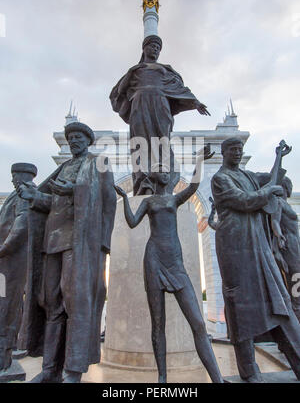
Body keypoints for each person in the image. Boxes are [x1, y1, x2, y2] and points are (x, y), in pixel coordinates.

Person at [16, 122, 116, 383]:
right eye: (70, 137)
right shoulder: (62, 169)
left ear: (88, 140)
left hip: (80, 243)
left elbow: (108, 201)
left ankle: (72, 369)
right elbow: (51, 202)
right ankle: (50, 369)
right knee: (52, 305)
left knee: (76, 304)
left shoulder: (98, 164)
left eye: (78, 137)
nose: (73, 141)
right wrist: (33, 197)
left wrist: (102, 243)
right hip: (53, 242)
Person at [115, 155, 223, 383]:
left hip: (175, 263)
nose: (164, 172)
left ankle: (217, 378)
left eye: (166, 170)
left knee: (199, 323)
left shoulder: (174, 200)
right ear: (153, 177)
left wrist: (200, 161)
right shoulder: (149, 201)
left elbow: (194, 186)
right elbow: (133, 222)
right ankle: (162, 377)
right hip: (154, 260)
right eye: (160, 170)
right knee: (158, 323)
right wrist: (125, 198)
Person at [211, 137, 300, 383]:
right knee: (240, 305)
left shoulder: (249, 176)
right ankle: (249, 370)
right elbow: (245, 201)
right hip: (234, 248)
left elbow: (273, 181)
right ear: (224, 152)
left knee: (278, 300)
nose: (238, 153)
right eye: (233, 149)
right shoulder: (220, 179)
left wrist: (279, 156)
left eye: (240, 149)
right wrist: (268, 191)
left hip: (257, 246)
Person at [110, 35, 210, 195]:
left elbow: (178, 88)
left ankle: (161, 182)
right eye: (152, 46)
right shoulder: (136, 70)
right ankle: (144, 183)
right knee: (140, 143)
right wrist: (130, 73)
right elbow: (119, 92)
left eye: (158, 47)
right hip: (140, 106)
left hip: (161, 107)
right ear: (144, 48)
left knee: (162, 142)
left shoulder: (166, 69)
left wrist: (195, 102)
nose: (155, 49)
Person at [0, 163, 37, 372]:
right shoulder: (17, 194)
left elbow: (22, 224)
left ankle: (3, 358)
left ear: (24, 176)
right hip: (7, 259)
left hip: (13, 259)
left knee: (6, 308)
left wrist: (3, 249)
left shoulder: (26, 193)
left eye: (16, 176)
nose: (13, 179)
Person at [271, 176, 300, 322]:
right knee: (295, 279)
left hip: (295, 245)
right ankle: (296, 316)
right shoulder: (278, 202)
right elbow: (275, 221)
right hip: (289, 245)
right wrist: (279, 235)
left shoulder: (285, 203)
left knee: (296, 279)